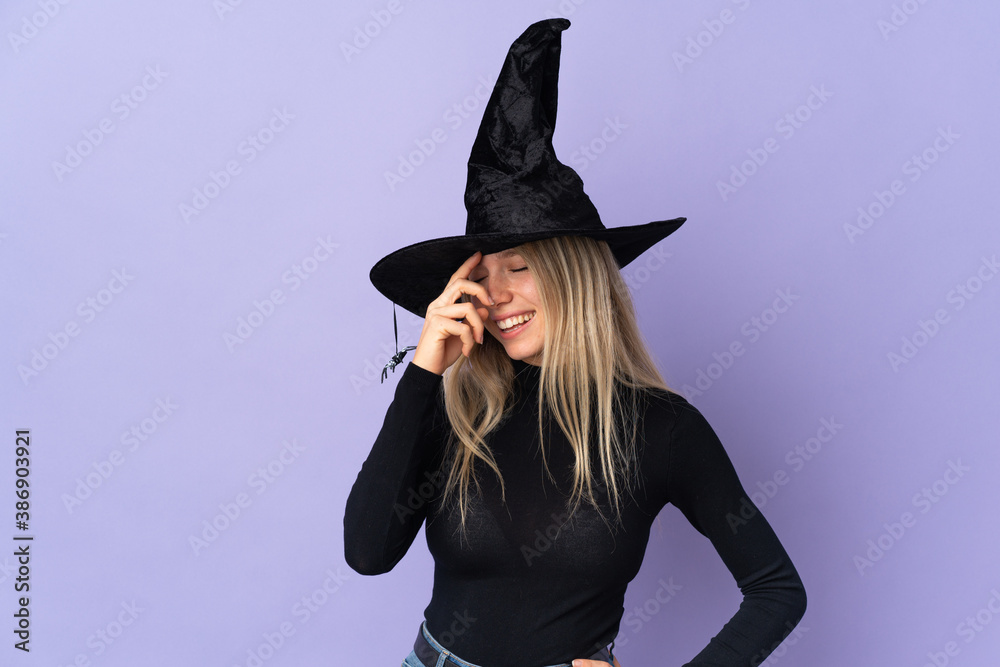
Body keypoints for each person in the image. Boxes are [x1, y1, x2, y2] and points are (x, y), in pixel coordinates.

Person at [346, 18, 807, 667]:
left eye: (519, 267)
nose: (495, 295)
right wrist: (424, 373)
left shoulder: (662, 429)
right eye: (482, 274)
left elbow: (776, 590)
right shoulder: (461, 411)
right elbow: (367, 553)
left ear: (576, 276)